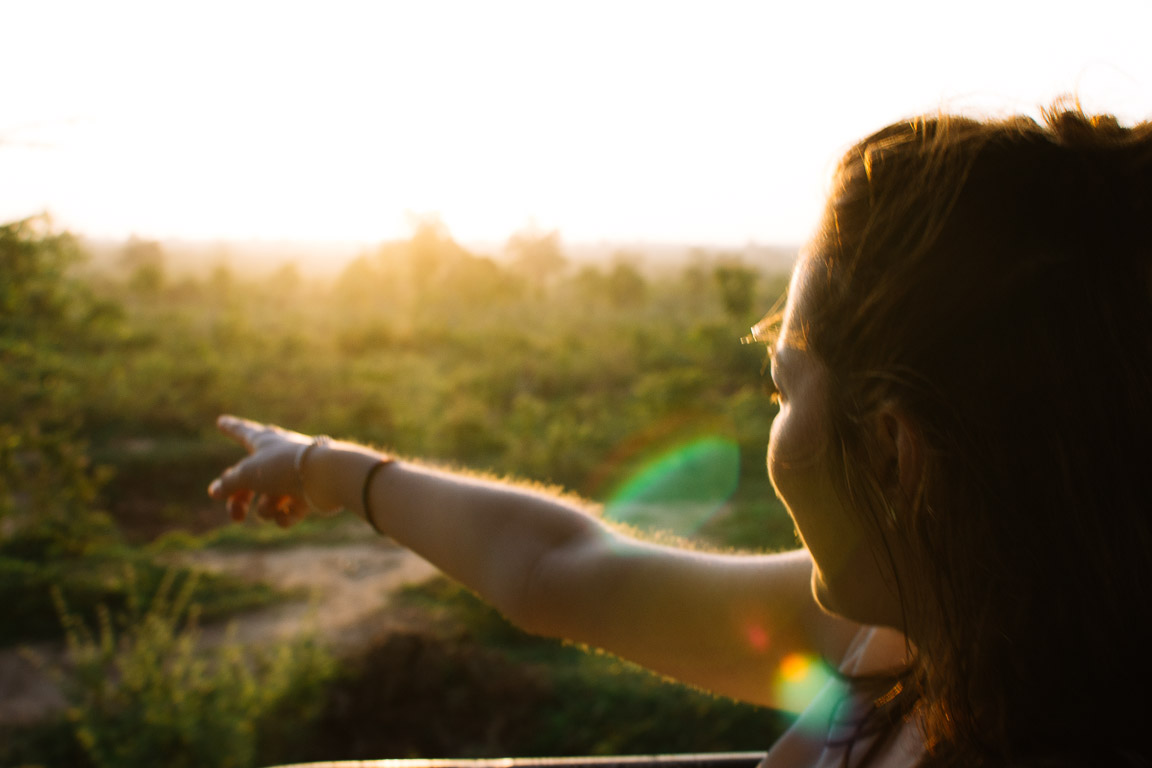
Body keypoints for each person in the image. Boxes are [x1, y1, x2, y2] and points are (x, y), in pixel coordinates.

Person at [208, 104, 1152, 767]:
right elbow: (557, 571)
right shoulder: (910, 632)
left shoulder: (890, 637)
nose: (772, 423)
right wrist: (331, 470)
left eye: (782, 387)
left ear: (896, 453)